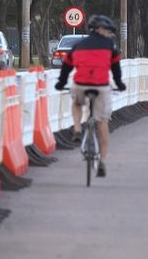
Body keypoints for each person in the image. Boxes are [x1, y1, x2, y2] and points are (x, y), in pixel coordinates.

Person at [54, 14, 126, 178]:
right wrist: (119, 84)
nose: (110, 34)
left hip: (81, 84)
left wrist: (61, 82)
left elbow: (67, 66)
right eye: (108, 31)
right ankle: (103, 161)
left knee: (77, 103)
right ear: (99, 29)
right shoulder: (110, 46)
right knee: (102, 122)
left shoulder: (79, 45)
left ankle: (78, 128)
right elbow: (115, 69)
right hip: (101, 87)